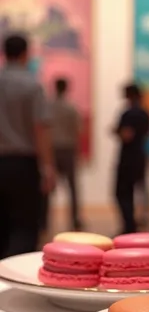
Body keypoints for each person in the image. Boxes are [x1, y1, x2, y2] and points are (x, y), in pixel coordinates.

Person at [0, 34, 55, 258]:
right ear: (25, 54)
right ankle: (15, 284)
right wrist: (48, 168)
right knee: (24, 227)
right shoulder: (32, 85)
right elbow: (40, 129)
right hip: (23, 165)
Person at [42, 78, 83, 232]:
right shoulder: (71, 108)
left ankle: (43, 221)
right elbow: (78, 131)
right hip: (68, 149)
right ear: (66, 89)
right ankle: (75, 219)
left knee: (47, 187)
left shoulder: (48, 107)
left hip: (52, 149)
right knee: (72, 187)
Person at [113, 82, 149, 234]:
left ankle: (129, 225)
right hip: (140, 155)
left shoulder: (128, 114)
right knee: (140, 190)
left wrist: (116, 131)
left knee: (122, 193)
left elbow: (126, 135)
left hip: (128, 158)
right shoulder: (146, 113)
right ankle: (139, 221)